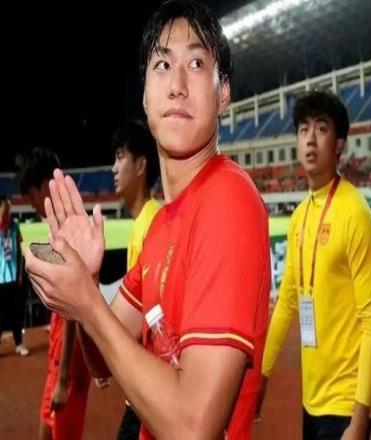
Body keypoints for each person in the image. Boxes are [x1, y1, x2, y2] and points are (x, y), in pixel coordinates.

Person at [25, 1, 271, 439]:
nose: (176, 85)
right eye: (162, 64)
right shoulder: (161, 226)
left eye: (196, 63)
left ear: (223, 94)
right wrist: (86, 282)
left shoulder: (228, 198)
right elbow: (101, 360)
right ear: (144, 94)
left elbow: (194, 427)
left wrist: (88, 304)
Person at [257, 91, 371, 440]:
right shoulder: (299, 216)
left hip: (346, 403)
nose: (310, 139)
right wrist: (262, 375)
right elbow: (287, 303)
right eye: (303, 129)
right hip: (311, 399)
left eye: (322, 129)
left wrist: (360, 418)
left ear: (339, 144)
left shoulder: (355, 214)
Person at [18, 148, 91, 440]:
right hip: (61, 349)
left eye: (30, 195)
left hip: (67, 356)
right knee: (46, 431)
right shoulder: (61, 222)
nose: (30, 203)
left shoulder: (69, 224)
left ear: (42, 187)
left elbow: (74, 305)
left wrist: (62, 379)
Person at [112, 119, 161, 439]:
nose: (113, 168)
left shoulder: (153, 224)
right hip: (144, 386)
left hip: (149, 390)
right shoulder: (142, 223)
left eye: (120, 157)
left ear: (141, 165)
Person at [0, 195, 29, 356]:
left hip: (14, 277)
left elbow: (19, 250)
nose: (7, 210)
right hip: (0, 278)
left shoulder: (15, 226)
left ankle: (19, 344)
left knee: (16, 312)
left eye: (8, 207)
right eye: (4, 207)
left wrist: (20, 275)